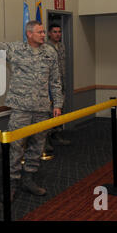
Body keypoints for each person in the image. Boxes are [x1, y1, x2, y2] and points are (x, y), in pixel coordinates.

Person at [0, 13, 63, 198]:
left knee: (37, 148)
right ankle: (10, 185)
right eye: (39, 32)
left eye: (43, 32)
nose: (43, 35)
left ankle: (28, 180)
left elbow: (55, 81)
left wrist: (58, 104)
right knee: (15, 148)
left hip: (42, 109)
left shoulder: (50, 53)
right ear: (29, 34)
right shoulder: (15, 49)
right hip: (21, 109)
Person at [44, 24, 70, 153]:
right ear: (49, 33)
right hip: (49, 87)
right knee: (49, 113)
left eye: (59, 32)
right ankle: (46, 140)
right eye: (55, 32)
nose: (58, 34)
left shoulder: (61, 46)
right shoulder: (45, 48)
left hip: (61, 85)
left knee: (59, 112)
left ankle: (56, 134)